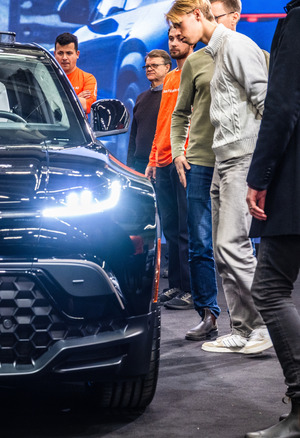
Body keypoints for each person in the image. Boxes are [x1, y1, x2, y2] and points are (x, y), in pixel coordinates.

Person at [166, 0, 272, 353]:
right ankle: (242, 329)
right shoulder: (208, 54)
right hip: (221, 159)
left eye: (180, 24)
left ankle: (264, 326)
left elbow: (267, 104)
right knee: (221, 251)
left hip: (242, 158)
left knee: (233, 245)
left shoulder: (239, 46)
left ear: (198, 14)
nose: (178, 34)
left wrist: (265, 168)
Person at [245, 1, 300, 436]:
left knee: (269, 289)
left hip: (295, 182)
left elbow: (281, 107)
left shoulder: (298, 21)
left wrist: (258, 176)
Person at [145, 28, 194, 311]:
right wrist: (153, 157)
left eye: (179, 38)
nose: (174, 43)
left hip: (185, 162)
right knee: (173, 230)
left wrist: (184, 153)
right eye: (171, 39)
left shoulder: (197, 71)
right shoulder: (171, 78)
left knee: (188, 230)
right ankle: (176, 285)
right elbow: (165, 122)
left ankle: (191, 289)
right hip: (163, 162)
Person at [127, 49, 171, 173]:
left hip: (163, 163)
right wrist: (130, 164)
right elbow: (133, 135)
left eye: (155, 65)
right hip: (139, 163)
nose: (149, 69)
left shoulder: (173, 96)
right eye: (147, 66)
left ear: (167, 67)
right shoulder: (140, 98)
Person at [54, 32, 97, 114]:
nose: (64, 58)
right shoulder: (45, 76)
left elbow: (88, 106)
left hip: (77, 126)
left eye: (69, 53)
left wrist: (58, 100)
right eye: (60, 53)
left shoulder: (88, 78)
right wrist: (76, 98)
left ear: (77, 54)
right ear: (54, 54)